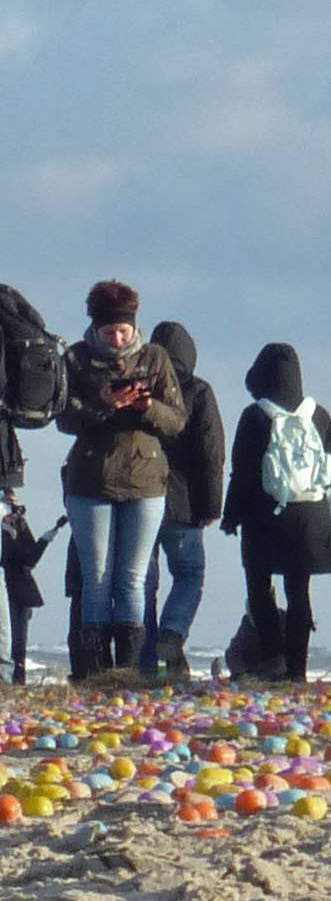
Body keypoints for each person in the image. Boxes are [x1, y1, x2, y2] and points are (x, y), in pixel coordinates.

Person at [57, 279, 186, 676]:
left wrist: (147, 407)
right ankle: (97, 671)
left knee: (131, 578)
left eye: (123, 331)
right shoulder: (76, 360)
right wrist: (102, 404)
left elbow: (177, 420)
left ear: (134, 327)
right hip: (90, 481)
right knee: (96, 578)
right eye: (109, 331)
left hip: (145, 480)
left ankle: (128, 670)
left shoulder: (155, 358)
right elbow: (63, 418)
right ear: (95, 329)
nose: (116, 339)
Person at [219, 342, 331, 685]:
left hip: (267, 515)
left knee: (260, 587)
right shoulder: (319, 415)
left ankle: (273, 659)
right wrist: (330, 521)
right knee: (299, 592)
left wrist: (232, 517)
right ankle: (298, 671)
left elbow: (242, 473)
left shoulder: (256, 415)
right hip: (312, 516)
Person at [139, 321, 225, 681]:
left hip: (141, 496)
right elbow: (211, 454)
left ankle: (148, 660)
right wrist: (210, 506)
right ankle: (171, 639)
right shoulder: (198, 391)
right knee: (189, 575)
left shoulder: (141, 388)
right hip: (184, 504)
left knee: (144, 581)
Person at [2, 500, 61, 687]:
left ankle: (15, 682)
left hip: (18, 590)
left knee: (18, 643)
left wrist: (46, 537)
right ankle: (12, 680)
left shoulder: (16, 521)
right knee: (13, 640)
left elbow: (29, 558)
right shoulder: (11, 521)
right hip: (14, 587)